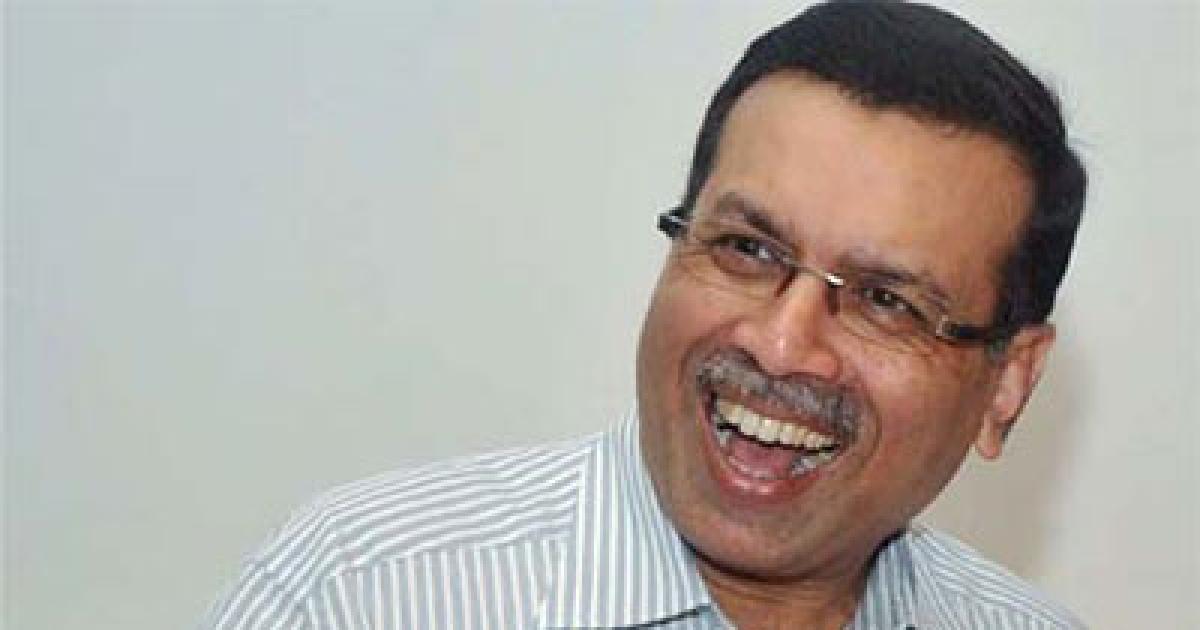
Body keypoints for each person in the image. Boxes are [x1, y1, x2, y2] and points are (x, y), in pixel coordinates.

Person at [204, 2, 1087, 628]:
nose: (782, 344)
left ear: (1006, 385)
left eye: (886, 301)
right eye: (748, 249)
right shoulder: (365, 595)